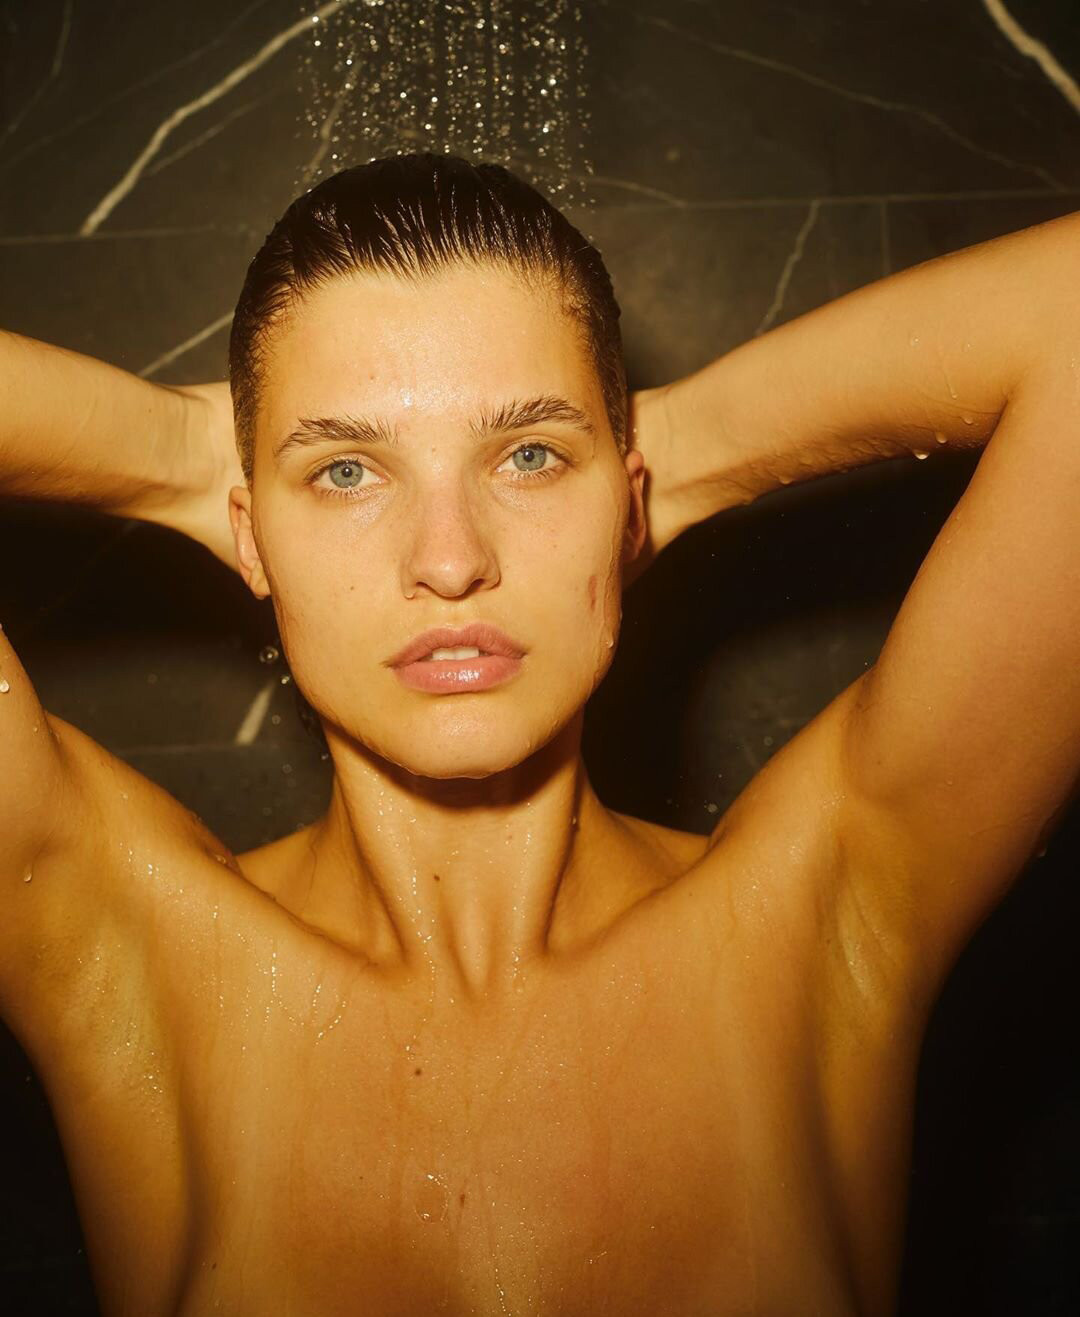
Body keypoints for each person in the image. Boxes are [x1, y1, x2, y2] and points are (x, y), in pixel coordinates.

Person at [0, 151, 1076, 1317]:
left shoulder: (830, 916)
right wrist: (174, 458)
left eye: (529, 458)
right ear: (251, 536)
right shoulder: (115, 949)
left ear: (627, 501)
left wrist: (675, 454)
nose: (451, 559)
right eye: (348, 472)